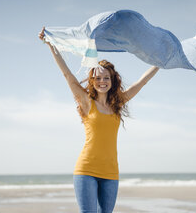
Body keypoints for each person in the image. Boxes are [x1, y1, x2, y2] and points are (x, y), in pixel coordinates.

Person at [38, 27, 159, 213]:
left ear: (112, 81)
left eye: (106, 78)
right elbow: (67, 76)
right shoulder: (87, 102)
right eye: (98, 78)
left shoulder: (118, 104)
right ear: (93, 81)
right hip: (86, 170)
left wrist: (160, 63)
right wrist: (50, 45)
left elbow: (141, 82)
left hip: (111, 172)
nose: (102, 81)